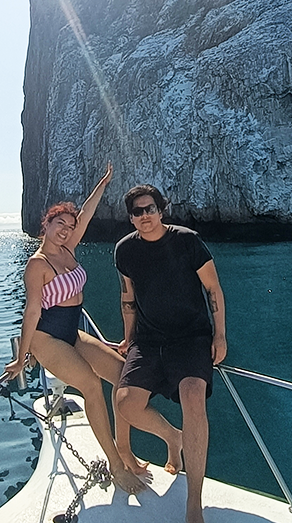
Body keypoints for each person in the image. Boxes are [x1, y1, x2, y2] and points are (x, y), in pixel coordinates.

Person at [4, 165, 178, 495]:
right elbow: (31, 312)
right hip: (47, 338)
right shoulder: (38, 264)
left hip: (71, 332)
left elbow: (85, 212)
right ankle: (115, 466)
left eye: (70, 227)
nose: (66, 230)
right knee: (91, 386)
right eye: (60, 224)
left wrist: (104, 181)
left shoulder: (68, 249)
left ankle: (124, 449)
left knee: (123, 376)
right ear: (47, 224)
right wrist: (23, 355)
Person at [114, 185, 227, 523]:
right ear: (131, 217)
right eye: (137, 211)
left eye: (150, 209)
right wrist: (127, 338)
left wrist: (219, 335)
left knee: (193, 397)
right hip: (149, 340)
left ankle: (194, 502)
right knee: (126, 403)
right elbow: (128, 298)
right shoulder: (124, 251)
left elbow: (213, 288)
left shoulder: (187, 241)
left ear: (161, 210)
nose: (144, 216)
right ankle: (172, 437)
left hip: (191, 337)